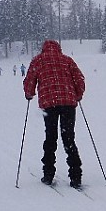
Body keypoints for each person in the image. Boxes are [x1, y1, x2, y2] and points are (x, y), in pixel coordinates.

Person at [23, 39, 86, 189]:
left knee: (50, 137)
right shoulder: (67, 60)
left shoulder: (38, 61)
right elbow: (79, 78)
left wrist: (29, 94)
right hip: (68, 103)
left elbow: (30, 80)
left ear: (43, 49)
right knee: (69, 138)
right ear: (58, 48)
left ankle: (48, 174)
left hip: (49, 104)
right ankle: (76, 176)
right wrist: (78, 94)